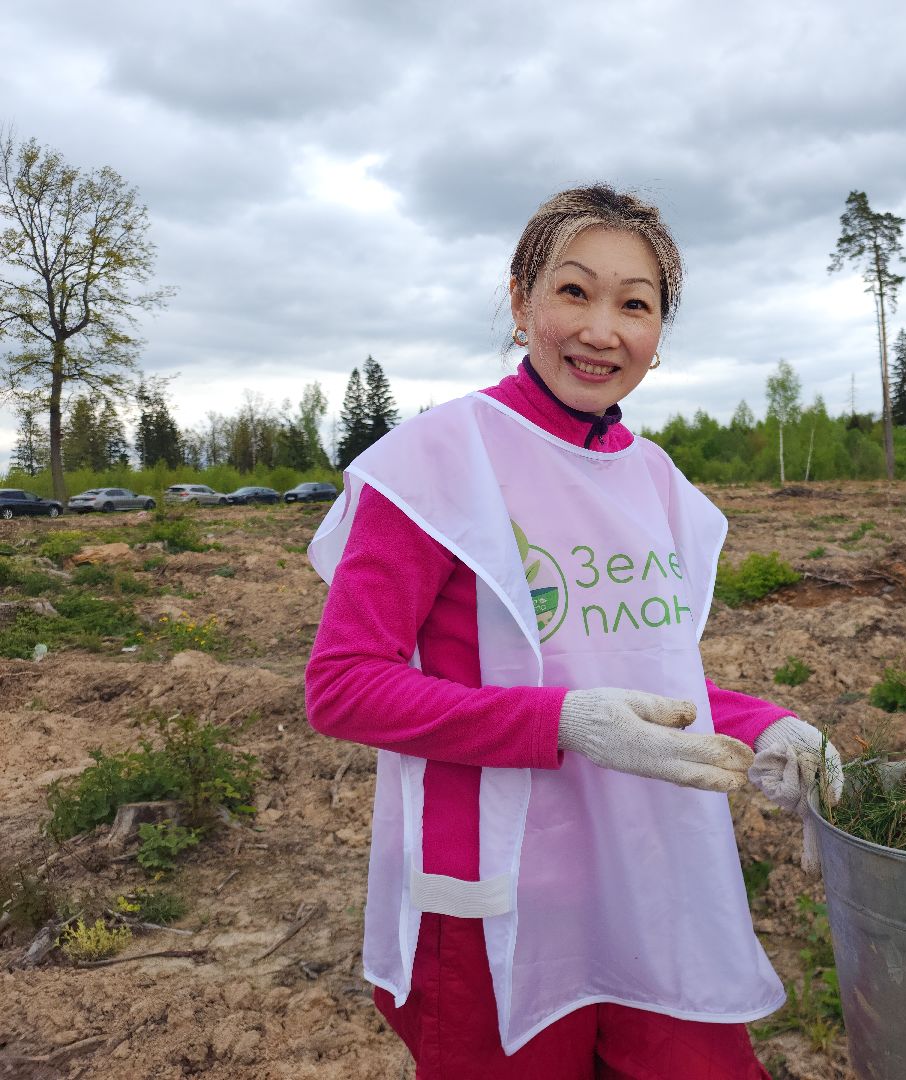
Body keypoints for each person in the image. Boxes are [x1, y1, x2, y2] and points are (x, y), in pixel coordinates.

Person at [305, 183, 843, 1079]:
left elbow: (635, 671)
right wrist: (558, 723)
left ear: (659, 337)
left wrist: (762, 726)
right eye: (573, 291)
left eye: (636, 304)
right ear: (520, 303)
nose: (602, 329)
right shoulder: (439, 461)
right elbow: (344, 685)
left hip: (649, 877)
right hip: (493, 899)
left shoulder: (657, 482)